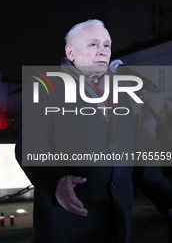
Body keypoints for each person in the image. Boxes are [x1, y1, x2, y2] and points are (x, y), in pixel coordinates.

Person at [15, 19, 172, 243]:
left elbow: (137, 155)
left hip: (117, 223)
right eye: (93, 44)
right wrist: (56, 182)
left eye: (107, 45)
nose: (103, 51)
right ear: (70, 52)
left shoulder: (120, 93)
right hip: (68, 225)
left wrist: (167, 198)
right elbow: (29, 147)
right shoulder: (45, 87)